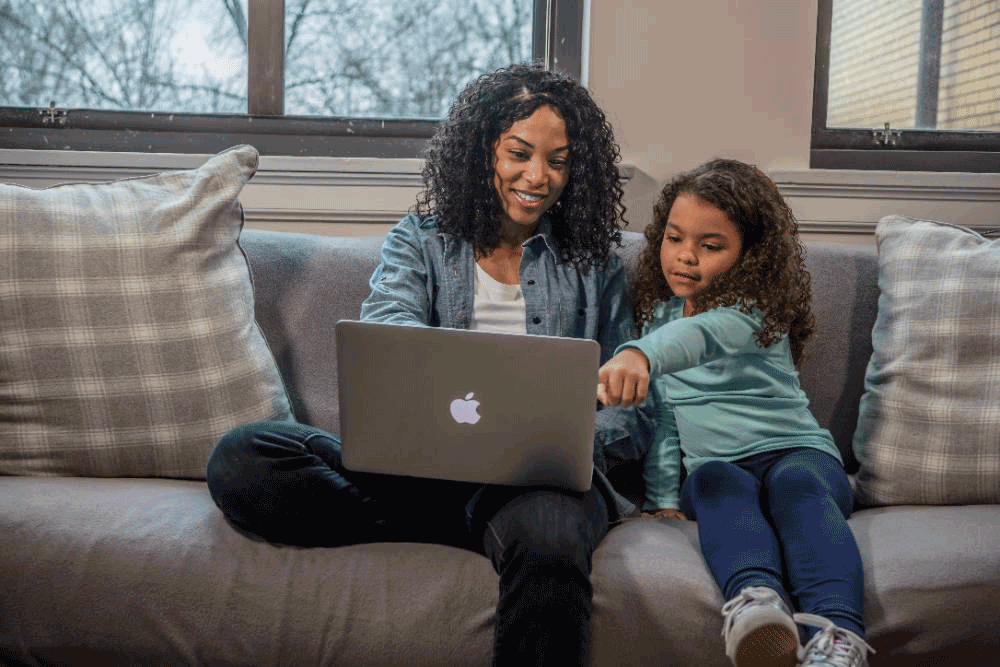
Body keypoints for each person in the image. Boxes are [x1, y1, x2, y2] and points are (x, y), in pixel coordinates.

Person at [206, 62, 649, 667]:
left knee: (547, 541)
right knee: (243, 457)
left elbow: (633, 404)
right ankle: (473, 525)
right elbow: (390, 332)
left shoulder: (597, 265)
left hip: (538, 482)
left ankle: (492, 526)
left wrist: (572, 444)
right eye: (519, 152)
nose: (537, 176)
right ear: (482, 149)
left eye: (559, 160)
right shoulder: (419, 241)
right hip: (422, 470)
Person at [597, 158, 874, 667]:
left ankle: (839, 637)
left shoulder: (753, 311)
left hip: (797, 454)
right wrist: (661, 496)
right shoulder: (657, 316)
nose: (685, 258)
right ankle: (757, 607)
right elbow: (664, 419)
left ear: (751, 256)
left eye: (710, 246)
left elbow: (699, 338)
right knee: (711, 484)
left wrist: (640, 353)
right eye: (675, 238)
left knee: (796, 489)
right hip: (720, 468)